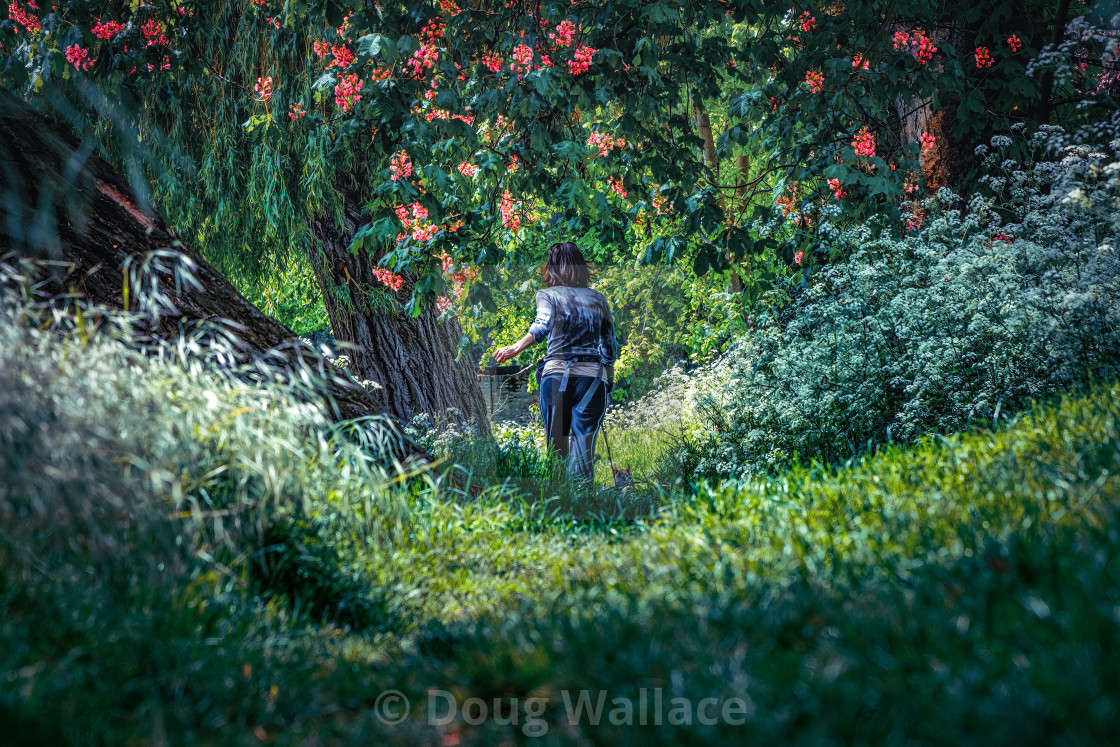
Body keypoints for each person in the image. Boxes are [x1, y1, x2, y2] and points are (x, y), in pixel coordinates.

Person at [493, 241, 619, 483]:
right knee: (583, 451)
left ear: (552, 268)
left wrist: (515, 348)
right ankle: (583, 500)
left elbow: (542, 324)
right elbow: (610, 347)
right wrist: (608, 378)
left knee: (556, 447)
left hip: (556, 378)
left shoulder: (547, 295)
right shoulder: (598, 299)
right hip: (591, 381)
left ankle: (559, 502)